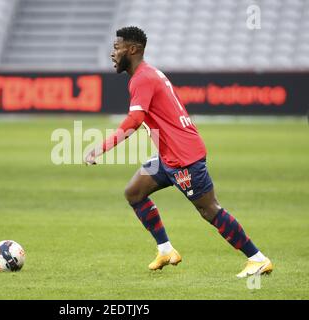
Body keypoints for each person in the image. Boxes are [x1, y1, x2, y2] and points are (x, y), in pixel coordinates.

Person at [84, 26, 273, 278]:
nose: (113, 53)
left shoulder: (142, 78)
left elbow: (134, 120)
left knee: (209, 210)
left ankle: (257, 258)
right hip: (167, 156)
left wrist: (101, 147)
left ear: (133, 49)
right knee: (134, 192)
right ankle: (165, 250)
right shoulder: (147, 74)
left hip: (184, 159)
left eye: (117, 48)